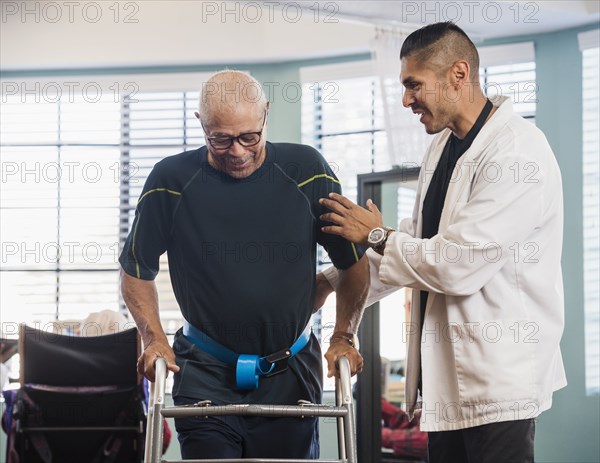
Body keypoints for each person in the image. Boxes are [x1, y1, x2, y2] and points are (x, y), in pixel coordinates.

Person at [317, 22, 566, 463]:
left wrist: (375, 234)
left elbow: (457, 263)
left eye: (414, 85)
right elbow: (419, 249)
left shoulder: (517, 152)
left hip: (498, 385)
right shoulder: (442, 149)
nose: (406, 100)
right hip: (445, 386)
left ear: (458, 74)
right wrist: (331, 281)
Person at [119, 70, 369, 460]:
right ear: (200, 123)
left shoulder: (309, 171)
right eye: (220, 139)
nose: (237, 151)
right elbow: (136, 269)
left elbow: (353, 265)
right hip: (204, 370)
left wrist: (344, 336)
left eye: (248, 137)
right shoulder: (170, 180)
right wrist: (153, 338)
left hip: (290, 372)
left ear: (266, 114)